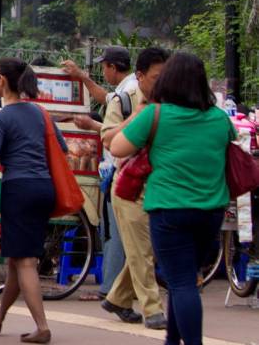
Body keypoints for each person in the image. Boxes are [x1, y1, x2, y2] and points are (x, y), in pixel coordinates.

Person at [110, 52, 231, 345]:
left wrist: (138, 117)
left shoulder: (156, 114)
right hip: (211, 211)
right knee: (185, 279)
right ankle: (172, 340)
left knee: (181, 283)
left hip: (169, 210)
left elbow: (116, 147)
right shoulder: (219, 118)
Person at [0, 58, 67, 344]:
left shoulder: (2, 119)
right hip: (44, 188)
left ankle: (42, 326)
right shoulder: (41, 113)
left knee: (25, 260)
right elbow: (63, 148)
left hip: (18, 189)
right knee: (19, 257)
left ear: (1, 80)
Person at [99, 47, 169, 329]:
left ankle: (118, 298)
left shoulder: (171, 101)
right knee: (142, 251)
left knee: (149, 248)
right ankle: (153, 310)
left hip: (160, 185)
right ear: (139, 76)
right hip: (129, 185)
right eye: (156, 77)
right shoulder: (123, 101)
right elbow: (107, 138)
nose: (161, 83)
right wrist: (138, 118)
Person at [62, 47, 134, 302]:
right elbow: (105, 97)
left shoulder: (130, 91)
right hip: (117, 167)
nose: (104, 72)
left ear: (113, 67)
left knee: (115, 233)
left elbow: (127, 132)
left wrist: (93, 125)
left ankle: (110, 290)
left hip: (121, 168)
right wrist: (82, 77)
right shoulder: (125, 90)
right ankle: (122, 288)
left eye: (105, 67)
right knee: (117, 232)